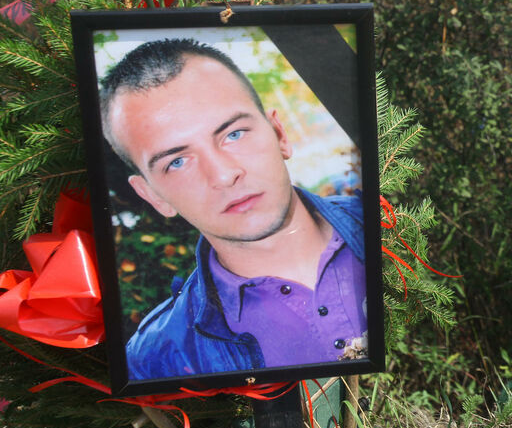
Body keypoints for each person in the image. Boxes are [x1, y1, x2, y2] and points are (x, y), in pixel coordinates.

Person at [100, 38, 366, 380]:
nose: (224, 175)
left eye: (234, 134)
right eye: (177, 161)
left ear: (279, 134)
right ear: (153, 196)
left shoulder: (399, 227)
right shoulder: (155, 361)